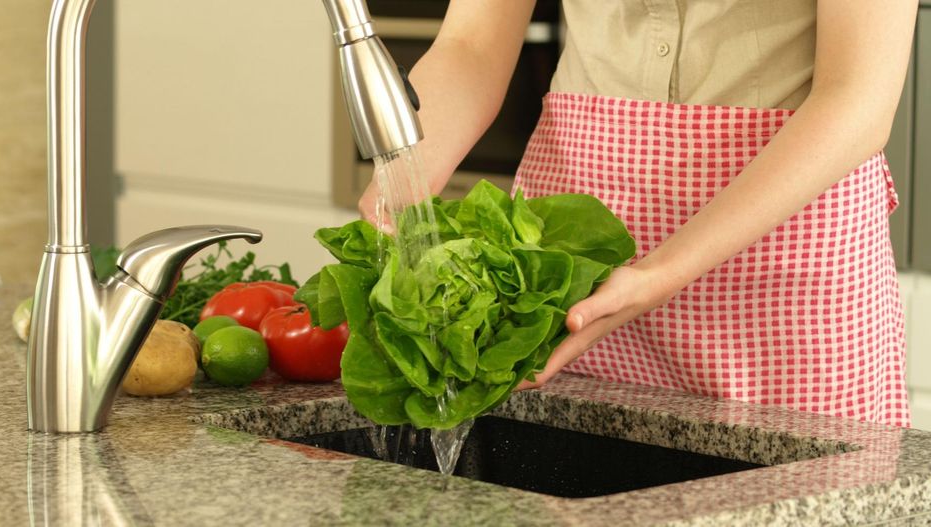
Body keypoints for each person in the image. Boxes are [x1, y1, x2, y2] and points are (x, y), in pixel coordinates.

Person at [359, 1, 919, 427]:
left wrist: (658, 273)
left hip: (783, 261)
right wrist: (402, 177)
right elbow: (472, 44)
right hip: (570, 256)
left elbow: (858, 97)